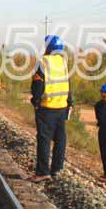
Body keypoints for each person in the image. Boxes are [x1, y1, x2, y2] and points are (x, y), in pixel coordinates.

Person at [29, 35, 73, 183]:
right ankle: (57, 170)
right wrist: (69, 102)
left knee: (44, 140)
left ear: (48, 47)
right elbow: (68, 84)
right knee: (60, 140)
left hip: (47, 107)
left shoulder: (43, 62)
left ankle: (42, 172)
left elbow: (38, 85)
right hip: (61, 107)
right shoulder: (63, 63)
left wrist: (35, 100)